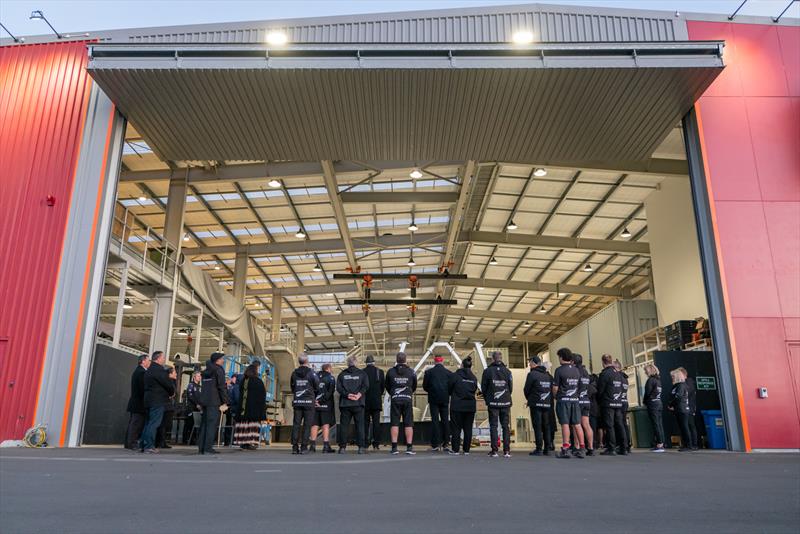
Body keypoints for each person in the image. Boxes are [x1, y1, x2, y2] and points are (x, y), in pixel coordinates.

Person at [552, 348, 585, 459]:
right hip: (575, 400)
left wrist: (556, 396)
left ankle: (565, 448)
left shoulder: (559, 370)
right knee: (577, 424)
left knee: (565, 424)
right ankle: (582, 448)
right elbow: (580, 386)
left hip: (564, 400)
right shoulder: (576, 370)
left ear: (561, 357)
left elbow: (555, 387)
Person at [140, 351, 175, 454]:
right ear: (158, 358)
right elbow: (168, 384)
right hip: (157, 401)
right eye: (163, 357)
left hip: (148, 400)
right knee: (154, 423)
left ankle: (143, 444)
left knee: (148, 423)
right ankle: (149, 446)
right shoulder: (159, 370)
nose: (164, 359)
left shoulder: (149, 370)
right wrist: (171, 392)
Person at [481, 351, 513, 458]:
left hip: (493, 403)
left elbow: (483, 388)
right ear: (501, 358)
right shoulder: (507, 371)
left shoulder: (487, 371)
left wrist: (488, 399)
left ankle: (494, 451)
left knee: (493, 426)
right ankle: (507, 451)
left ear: (492, 358)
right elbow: (510, 387)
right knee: (505, 426)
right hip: (505, 402)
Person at [385, 352, 418, 455]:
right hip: (407, 399)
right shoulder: (411, 372)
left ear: (396, 359)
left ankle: (394, 448)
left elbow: (387, 385)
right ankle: (409, 448)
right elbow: (414, 385)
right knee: (408, 423)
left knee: (394, 423)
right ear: (405, 359)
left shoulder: (390, 372)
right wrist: (408, 393)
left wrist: (394, 393)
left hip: (395, 399)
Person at [336, 355, 369, 454]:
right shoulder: (362, 374)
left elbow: (339, 388)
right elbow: (366, 386)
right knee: (360, 425)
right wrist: (359, 395)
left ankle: (342, 447)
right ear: (356, 363)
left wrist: (347, 395)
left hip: (345, 404)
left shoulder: (342, 374)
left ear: (347, 363)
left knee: (344, 426)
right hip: (358, 404)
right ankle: (361, 448)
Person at [198, 352, 229, 455]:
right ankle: (208, 448)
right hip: (214, 401)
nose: (223, 360)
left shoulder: (206, 372)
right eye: (222, 359)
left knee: (204, 425)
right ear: (217, 360)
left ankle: (201, 448)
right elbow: (221, 387)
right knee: (211, 425)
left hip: (205, 401)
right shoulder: (218, 370)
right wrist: (225, 401)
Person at [596, 353, 627, 456]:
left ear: (603, 362)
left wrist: (599, 400)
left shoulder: (604, 374)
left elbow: (600, 389)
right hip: (618, 403)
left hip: (608, 403)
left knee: (609, 426)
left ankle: (611, 448)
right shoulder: (618, 373)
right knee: (620, 425)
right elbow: (622, 388)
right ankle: (624, 448)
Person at [523, 355, 553, 456]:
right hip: (546, 404)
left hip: (535, 403)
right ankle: (547, 448)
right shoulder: (547, 375)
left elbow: (526, 389)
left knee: (537, 426)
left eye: (530, 362)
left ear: (534, 363)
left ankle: (539, 448)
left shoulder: (532, 374)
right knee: (546, 426)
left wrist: (530, 399)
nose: (529, 364)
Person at [290, 353, 320, 455]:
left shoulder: (294, 373)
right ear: (307, 361)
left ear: (299, 362)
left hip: (298, 402)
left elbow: (292, 387)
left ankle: (294, 447)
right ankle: (303, 447)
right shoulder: (312, 373)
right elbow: (317, 386)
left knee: (296, 424)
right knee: (307, 425)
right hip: (308, 403)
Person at [423, 354, 453, 452]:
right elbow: (451, 387)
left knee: (435, 421)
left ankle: (435, 444)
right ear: (442, 361)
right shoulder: (449, 373)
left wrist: (432, 391)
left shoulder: (429, 372)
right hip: (444, 399)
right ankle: (446, 444)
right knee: (445, 421)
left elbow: (425, 386)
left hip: (433, 399)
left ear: (435, 362)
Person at [448, 356, 477, 455]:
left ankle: (455, 449)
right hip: (470, 406)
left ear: (461, 365)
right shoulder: (474, 378)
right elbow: (474, 390)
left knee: (456, 428)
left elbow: (449, 387)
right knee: (468, 428)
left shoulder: (455, 376)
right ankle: (466, 450)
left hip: (457, 405)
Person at [233, 363, 267, 450]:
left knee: (244, 425)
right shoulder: (258, 381)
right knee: (252, 426)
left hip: (243, 409)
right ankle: (251, 442)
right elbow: (262, 396)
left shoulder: (244, 381)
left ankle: (243, 442)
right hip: (254, 410)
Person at [124, 354, 150, 450]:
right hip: (139, 403)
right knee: (136, 424)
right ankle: (132, 443)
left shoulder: (139, 371)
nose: (149, 362)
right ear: (143, 361)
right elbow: (142, 388)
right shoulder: (141, 372)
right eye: (148, 360)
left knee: (133, 423)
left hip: (135, 403)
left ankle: (128, 443)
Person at [310, 363, 336, 453]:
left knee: (314, 424)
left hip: (315, 405)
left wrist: (315, 401)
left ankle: (312, 446)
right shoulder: (331, 378)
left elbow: (310, 390)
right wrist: (321, 401)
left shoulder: (315, 376)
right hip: (326, 405)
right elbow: (330, 392)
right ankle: (325, 446)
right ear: (328, 369)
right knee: (325, 425)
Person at [573, 354, 595, 457]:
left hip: (577, 401)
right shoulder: (586, 373)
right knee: (586, 425)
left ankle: (577, 447)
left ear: (573, 362)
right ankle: (590, 448)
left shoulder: (575, 372)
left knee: (576, 424)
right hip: (586, 400)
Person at [362, 355, 385, 450]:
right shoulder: (380, 372)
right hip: (376, 401)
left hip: (365, 401)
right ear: (374, 362)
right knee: (376, 423)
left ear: (366, 363)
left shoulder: (362, 372)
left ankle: (365, 444)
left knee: (365, 423)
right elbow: (382, 387)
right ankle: (376, 444)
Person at [668, 368, 692, 451]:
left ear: (677, 376)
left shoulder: (681, 385)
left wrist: (671, 404)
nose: (672, 378)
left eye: (673, 376)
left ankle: (688, 445)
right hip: (678, 409)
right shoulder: (677, 386)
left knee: (684, 427)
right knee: (682, 427)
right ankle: (685, 444)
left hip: (682, 409)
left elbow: (678, 397)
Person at [643, 364, 665, 452]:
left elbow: (647, 393)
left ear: (649, 371)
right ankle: (662, 442)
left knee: (656, 424)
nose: (645, 372)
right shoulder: (658, 380)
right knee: (659, 424)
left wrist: (644, 401)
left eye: (645, 370)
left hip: (652, 404)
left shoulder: (650, 380)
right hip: (659, 403)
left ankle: (659, 444)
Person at [156, 366, 178, 449]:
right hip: (166, 406)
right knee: (163, 425)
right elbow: (171, 393)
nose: (176, 374)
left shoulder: (172, 381)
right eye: (174, 372)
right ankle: (161, 442)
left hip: (168, 406)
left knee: (165, 425)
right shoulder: (169, 382)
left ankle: (162, 441)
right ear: (170, 374)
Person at [614, 360, 632, 453]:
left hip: (620, 402)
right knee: (624, 423)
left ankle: (622, 444)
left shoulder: (619, 377)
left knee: (619, 424)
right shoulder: (625, 377)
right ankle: (627, 444)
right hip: (625, 401)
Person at [680, 367, 700, 450]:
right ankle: (687, 444)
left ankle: (694, 444)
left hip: (689, 408)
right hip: (685, 408)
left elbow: (687, 393)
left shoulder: (689, 382)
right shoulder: (684, 383)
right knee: (686, 426)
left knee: (691, 426)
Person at [181, 371, 202, 445]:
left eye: (200, 376)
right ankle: (185, 439)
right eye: (198, 376)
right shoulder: (191, 385)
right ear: (194, 377)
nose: (199, 377)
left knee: (194, 424)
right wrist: (196, 404)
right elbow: (190, 396)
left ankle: (193, 439)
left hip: (198, 408)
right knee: (189, 424)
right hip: (191, 408)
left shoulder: (199, 387)